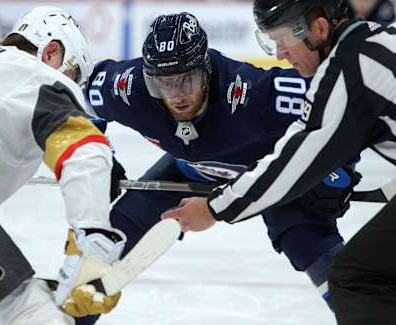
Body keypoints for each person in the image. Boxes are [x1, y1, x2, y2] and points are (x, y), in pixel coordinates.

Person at [84, 12, 361, 321]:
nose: (176, 96)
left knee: (309, 247)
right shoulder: (128, 88)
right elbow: (78, 95)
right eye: (163, 83)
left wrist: (337, 171)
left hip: (270, 177)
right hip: (191, 169)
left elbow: (342, 108)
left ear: (206, 71)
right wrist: (97, 154)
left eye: (186, 80)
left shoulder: (255, 94)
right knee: (111, 236)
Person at [161, 1, 396, 324]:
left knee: (356, 277)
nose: (279, 55)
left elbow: (293, 164)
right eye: (271, 42)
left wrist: (216, 207)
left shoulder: (346, 73)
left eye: (283, 40)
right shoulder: (380, 38)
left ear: (320, 29)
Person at [0, 6, 126, 325]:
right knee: (29, 311)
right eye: (72, 76)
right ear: (51, 52)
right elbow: (85, 149)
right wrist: (92, 248)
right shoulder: (37, 74)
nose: (71, 86)